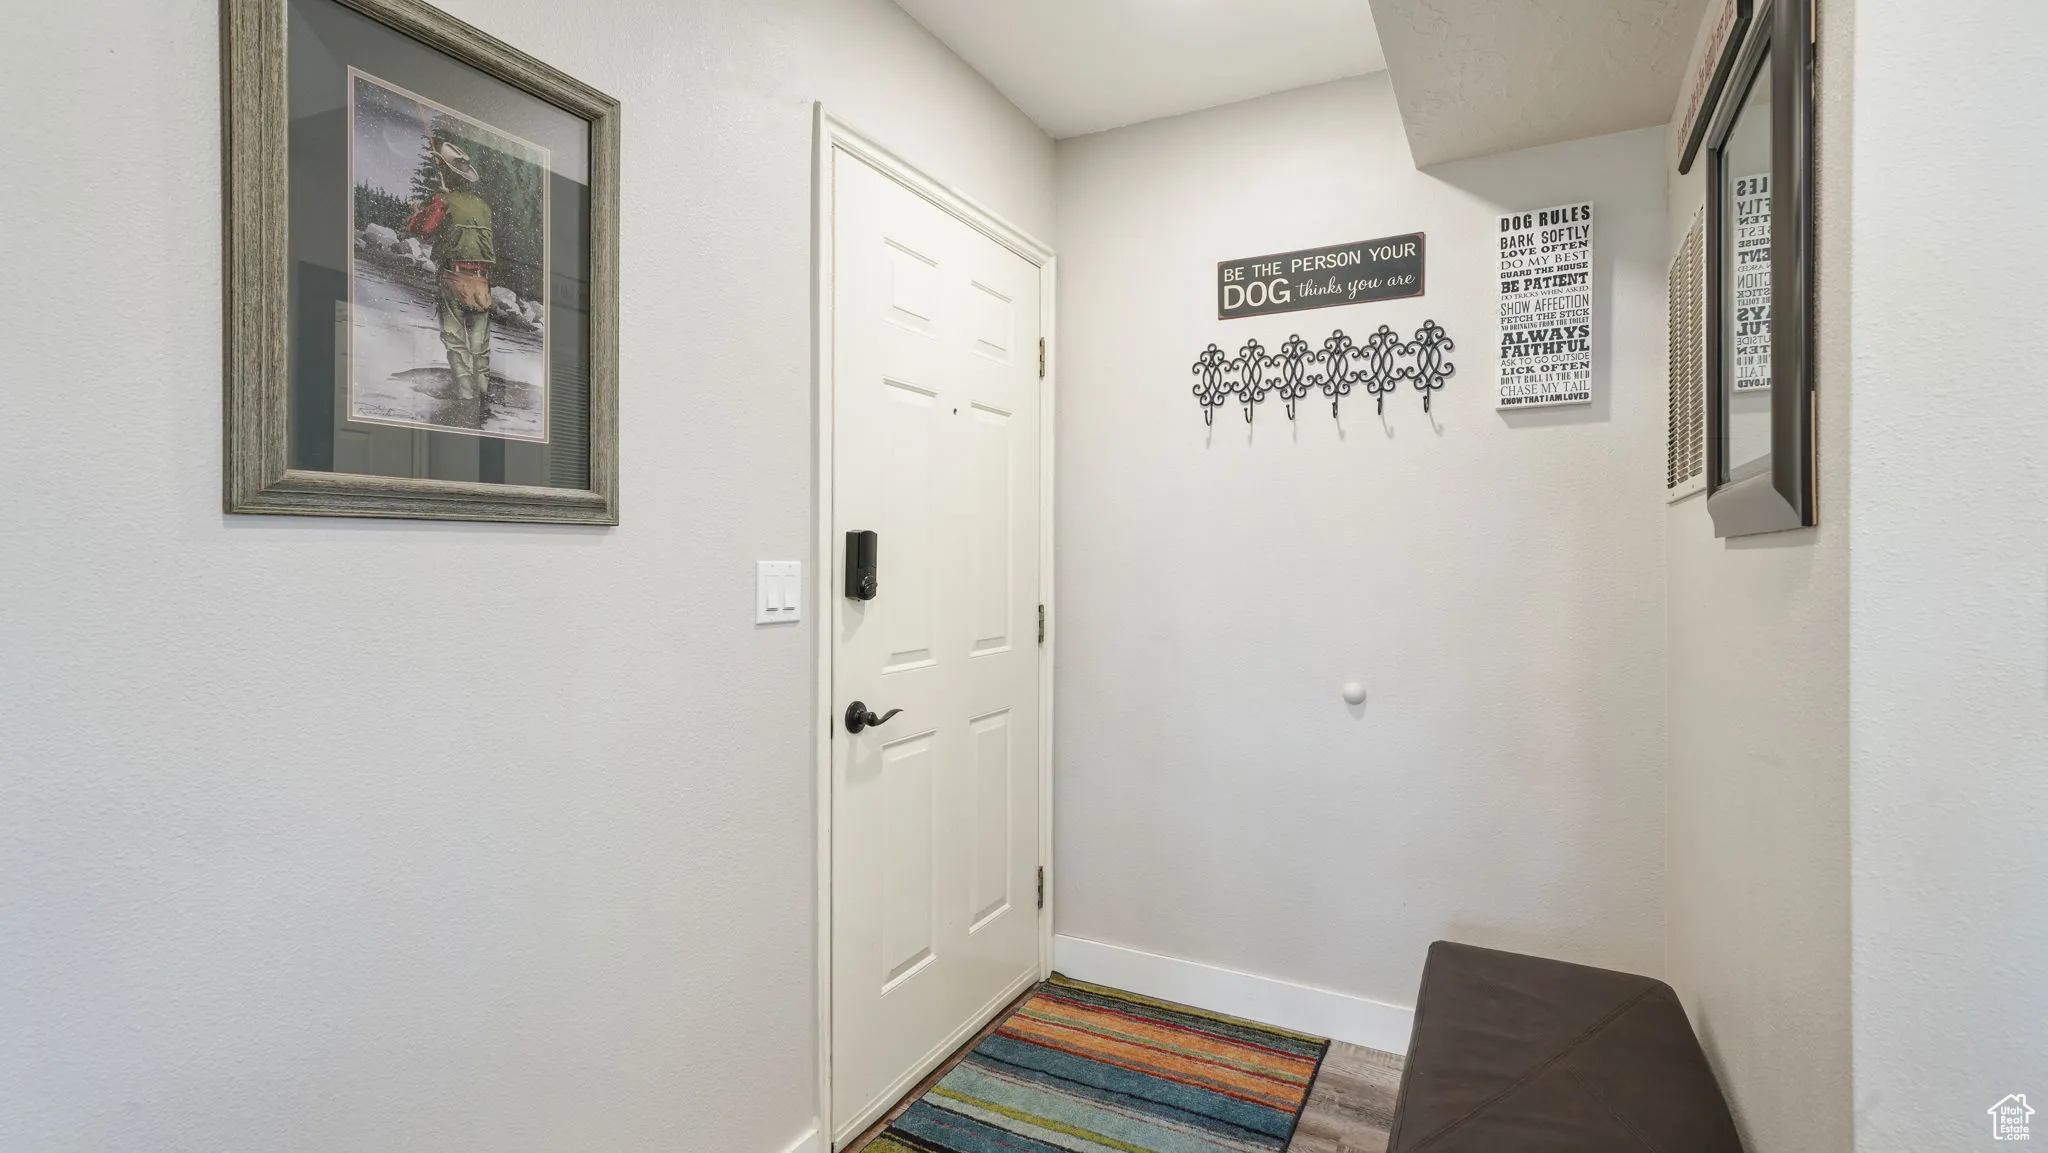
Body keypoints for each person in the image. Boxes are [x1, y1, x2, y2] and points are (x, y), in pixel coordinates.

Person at [407, 140, 496, 409]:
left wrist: (420, 209)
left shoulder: (443, 200)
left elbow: (421, 230)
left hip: (453, 279)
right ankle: (483, 397)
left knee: (456, 342)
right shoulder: (483, 206)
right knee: (480, 346)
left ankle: (467, 399)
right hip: (481, 283)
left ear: (446, 174)